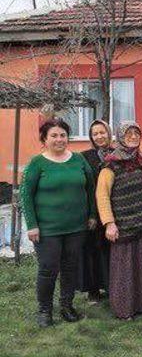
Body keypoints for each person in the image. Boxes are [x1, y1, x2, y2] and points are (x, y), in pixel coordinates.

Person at [21, 118, 97, 327]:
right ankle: (45, 310)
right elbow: (26, 195)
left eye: (62, 135)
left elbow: (90, 189)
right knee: (48, 268)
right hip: (47, 229)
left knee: (71, 267)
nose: (59, 139)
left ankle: (66, 306)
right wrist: (32, 225)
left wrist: (92, 215)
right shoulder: (37, 163)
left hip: (76, 227)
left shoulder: (79, 160)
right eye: (54, 135)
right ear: (44, 139)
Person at [96, 121, 142, 320]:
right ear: (120, 137)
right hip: (125, 224)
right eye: (129, 134)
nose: (134, 137)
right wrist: (109, 223)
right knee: (127, 268)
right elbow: (102, 195)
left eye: (137, 133)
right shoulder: (111, 164)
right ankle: (126, 307)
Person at [79, 119, 113, 304]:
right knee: (92, 250)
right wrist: (89, 213)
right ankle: (93, 289)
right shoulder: (84, 157)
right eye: (95, 134)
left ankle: (110, 284)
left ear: (109, 132)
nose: (100, 136)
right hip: (92, 210)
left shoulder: (118, 154)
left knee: (111, 250)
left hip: (112, 209)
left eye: (103, 132)